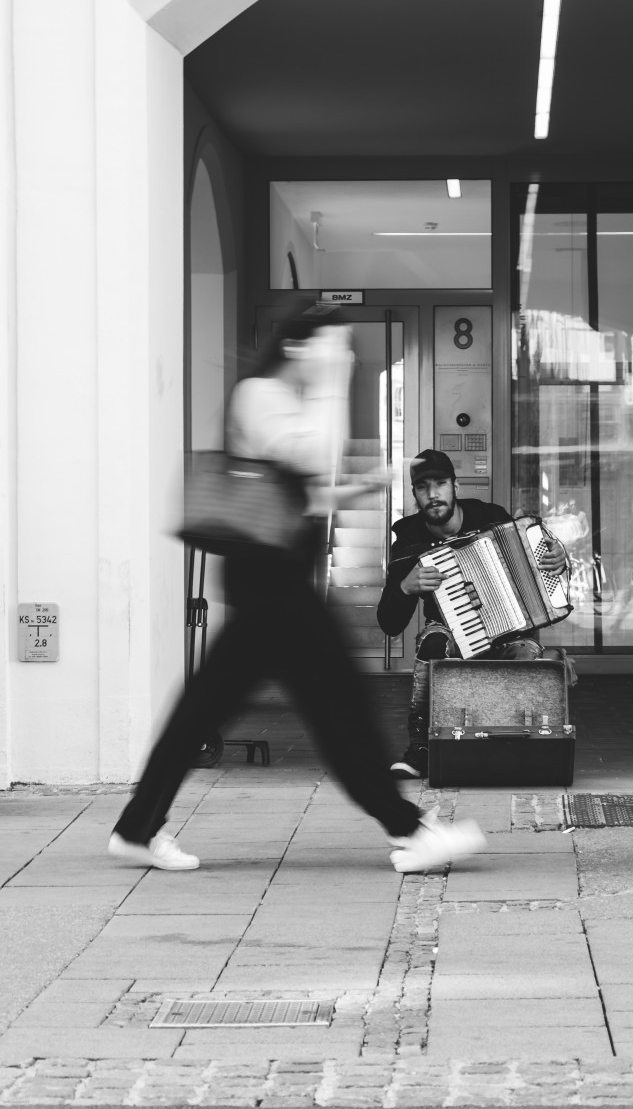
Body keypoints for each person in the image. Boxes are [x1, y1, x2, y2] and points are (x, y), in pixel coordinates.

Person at [107, 307, 485, 875]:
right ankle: (409, 830)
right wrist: (332, 380)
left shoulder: (281, 402)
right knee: (339, 707)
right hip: (270, 584)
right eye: (340, 347)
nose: (349, 359)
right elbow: (311, 455)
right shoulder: (260, 395)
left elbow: (301, 495)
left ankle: (138, 827)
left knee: (229, 708)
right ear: (302, 349)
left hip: (274, 582)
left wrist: (362, 486)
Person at [377, 450, 569, 780]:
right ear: (414, 494)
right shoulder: (409, 540)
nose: (433, 494)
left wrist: (558, 560)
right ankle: (420, 748)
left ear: (455, 485)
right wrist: (406, 588)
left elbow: (536, 562)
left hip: (510, 632)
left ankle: (522, 748)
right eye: (423, 487)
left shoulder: (491, 518)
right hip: (450, 633)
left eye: (440, 484)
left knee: (528, 653)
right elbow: (389, 623)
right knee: (433, 643)